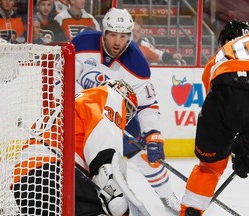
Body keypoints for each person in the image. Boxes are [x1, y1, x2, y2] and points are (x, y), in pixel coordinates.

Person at [72, 7, 180, 215]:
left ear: (130, 36)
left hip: (117, 114)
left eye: (123, 36)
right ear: (104, 32)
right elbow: (65, 76)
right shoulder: (83, 44)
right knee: (87, 159)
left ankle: (167, 195)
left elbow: (147, 105)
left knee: (145, 156)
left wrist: (153, 134)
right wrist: (84, 100)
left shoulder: (137, 64)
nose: (117, 41)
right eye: (112, 34)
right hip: (81, 110)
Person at [12, 79, 140, 215]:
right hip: (55, 172)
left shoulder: (74, 101)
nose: (124, 114)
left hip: (22, 180)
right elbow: (105, 155)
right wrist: (115, 194)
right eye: (126, 108)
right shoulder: (107, 95)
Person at [180, 20, 249, 216]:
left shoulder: (220, 56)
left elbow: (222, 107)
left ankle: (190, 210)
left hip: (223, 87)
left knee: (209, 167)